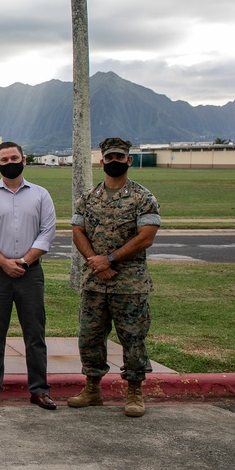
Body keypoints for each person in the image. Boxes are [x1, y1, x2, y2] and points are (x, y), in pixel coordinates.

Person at [69, 137, 161, 418]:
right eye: (109, 158)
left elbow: (146, 237)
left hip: (129, 283)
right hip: (95, 282)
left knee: (133, 338)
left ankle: (134, 392)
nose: (114, 162)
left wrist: (109, 259)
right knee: (90, 337)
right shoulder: (88, 198)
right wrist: (96, 263)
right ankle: (92, 388)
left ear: (129, 160)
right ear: (102, 161)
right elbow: (77, 231)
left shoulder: (143, 198)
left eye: (120, 157)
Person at [0, 142, 57, 410]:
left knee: (35, 334)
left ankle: (39, 390)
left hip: (30, 273)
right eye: (5, 159)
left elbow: (47, 232)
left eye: (15, 157)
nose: (10, 162)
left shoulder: (41, 195)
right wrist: (4, 262)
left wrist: (25, 260)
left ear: (24, 159)